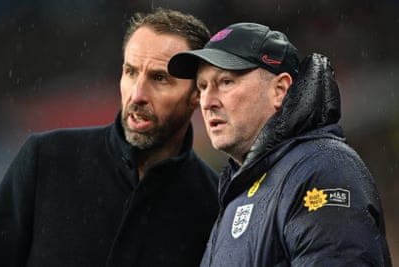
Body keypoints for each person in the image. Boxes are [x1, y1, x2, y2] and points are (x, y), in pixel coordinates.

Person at [0, 8, 219, 267]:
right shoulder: (47, 159)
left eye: (159, 78)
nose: (137, 94)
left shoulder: (214, 205)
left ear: (198, 94)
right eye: (130, 72)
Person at [168, 22, 392, 266]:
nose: (207, 101)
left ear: (280, 89)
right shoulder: (238, 191)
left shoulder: (322, 169)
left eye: (226, 82)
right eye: (202, 87)